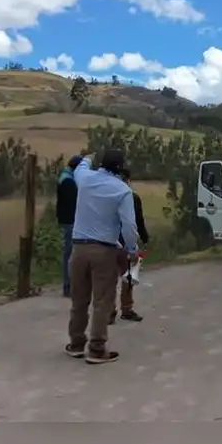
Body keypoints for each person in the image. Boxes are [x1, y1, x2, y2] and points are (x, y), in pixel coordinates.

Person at [65, 150, 139, 364]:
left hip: (78, 248)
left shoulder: (85, 178)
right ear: (120, 168)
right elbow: (129, 226)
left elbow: (80, 167)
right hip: (104, 250)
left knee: (79, 300)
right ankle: (96, 348)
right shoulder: (123, 190)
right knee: (102, 301)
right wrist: (132, 250)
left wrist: (88, 157)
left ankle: (76, 343)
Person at [110, 167, 148, 324]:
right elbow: (138, 222)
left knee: (110, 280)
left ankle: (109, 311)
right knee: (128, 278)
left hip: (109, 242)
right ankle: (126, 309)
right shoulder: (133, 197)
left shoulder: (107, 196)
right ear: (128, 180)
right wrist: (144, 239)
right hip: (126, 242)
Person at [57, 155, 82, 298]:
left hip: (67, 220)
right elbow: (74, 203)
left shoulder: (65, 177)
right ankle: (69, 285)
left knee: (70, 253)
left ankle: (69, 285)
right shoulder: (69, 182)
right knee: (71, 254)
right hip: (71, 221)